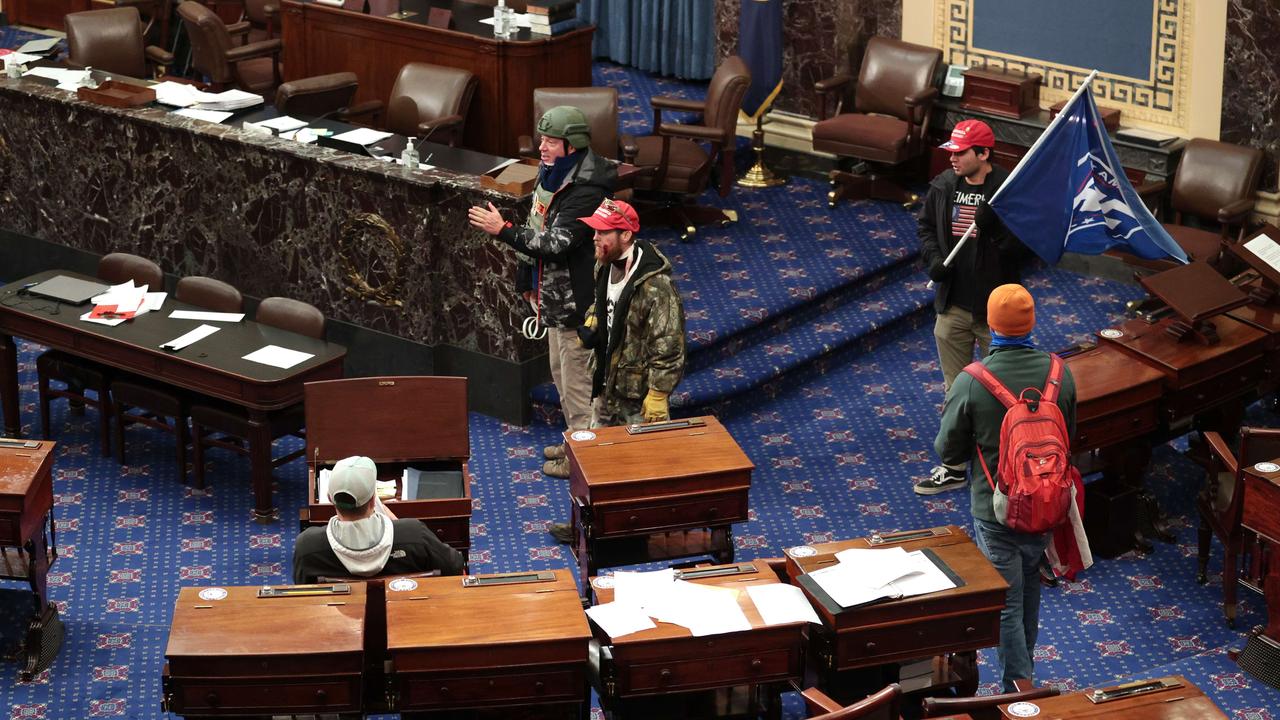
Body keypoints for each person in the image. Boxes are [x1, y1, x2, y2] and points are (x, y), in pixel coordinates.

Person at [931, 284, 1076, 692]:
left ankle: (1020, 685)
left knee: (1008, 598)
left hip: (997, 507)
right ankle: (1025, 670)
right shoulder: (1059, 373)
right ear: (1032, 322)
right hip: (1049, 501)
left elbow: (949, 451)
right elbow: (1070, 437)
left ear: (990, 325)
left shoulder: (973, 380)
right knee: (1030, 583)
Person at [467, 106, 617, 479]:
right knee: (560, 375)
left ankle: (585, 459)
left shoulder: (588, 188)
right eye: (542, 139)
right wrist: (525, 282)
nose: (543, 147)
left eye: (551, 141)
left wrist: (502, 230)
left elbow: (555, 243)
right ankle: (574, 441)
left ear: (572, 144)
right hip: (551, 297)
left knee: (578, 385)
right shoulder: (552, 175)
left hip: (578, 303)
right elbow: (536, 221)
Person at [579, 198, 686, 428]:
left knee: (648, 457)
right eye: (595, 230)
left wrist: (658, 393)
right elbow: (602, 302)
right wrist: (593, 321)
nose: (594, 237)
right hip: (607, 381)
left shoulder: (656, 286)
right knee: (598, 449)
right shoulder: (604, 263)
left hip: (639, 395)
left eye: (603, 231)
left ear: (625, 235)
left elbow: (668, 344)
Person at [292, 456, 464, 584]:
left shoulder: (307, 546)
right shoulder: (414, 535)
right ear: (374, 500)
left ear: (330, 498)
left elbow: (304, 594)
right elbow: (455, 566)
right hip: (409, 623)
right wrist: (400, 528)